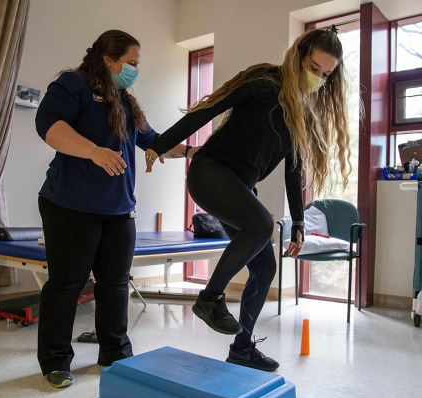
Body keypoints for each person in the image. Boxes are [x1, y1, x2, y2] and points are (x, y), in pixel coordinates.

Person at [145, 27, 354, 372]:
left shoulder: (301, 113)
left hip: (239, 187)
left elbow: (294, 172)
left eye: (326, 75)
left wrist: (299, 223)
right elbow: (207, 111)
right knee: (260, 226)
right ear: (300, 56)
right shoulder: (264, 84)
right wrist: (160, 143)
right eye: (314, 68)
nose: (318, 78)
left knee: (265, 266)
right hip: (210, 172)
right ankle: (209, 299)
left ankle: (242, 348)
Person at [34, 30, 191, 387]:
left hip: (118, 209)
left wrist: (195, 153)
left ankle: (115, 353)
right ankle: (56, 361)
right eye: (132, 63)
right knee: (66, 284)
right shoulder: (73, 84)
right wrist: (93, 151)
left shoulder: (123, 101)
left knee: (116, 283)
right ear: (108, 59)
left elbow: (154, 141)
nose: (136, 70)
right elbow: (50, 127)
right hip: (70, 205)